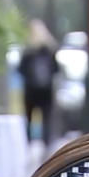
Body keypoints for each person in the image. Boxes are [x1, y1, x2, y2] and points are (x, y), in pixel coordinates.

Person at [18, 20, 60, 148]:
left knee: (29, 119)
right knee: (46, 119)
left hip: (30, 90)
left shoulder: (28, 51)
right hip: (46, 90)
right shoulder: (49, 50)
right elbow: (56, 69)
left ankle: (29, 144)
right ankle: (47, 144)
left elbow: (20, 69)